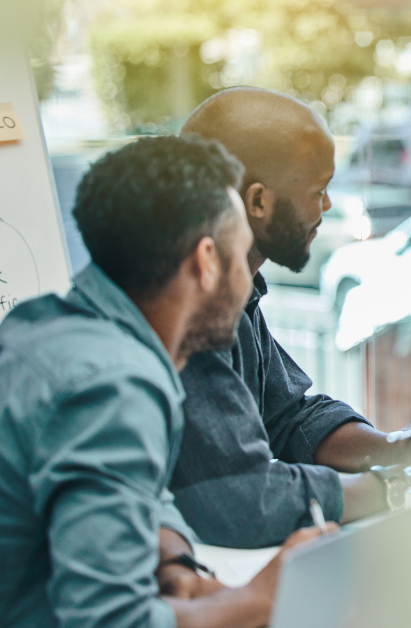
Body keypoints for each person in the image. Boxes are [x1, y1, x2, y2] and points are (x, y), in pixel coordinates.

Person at [0, 136, 327, 628]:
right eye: (242, 257)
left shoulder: (42, 325)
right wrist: (262, 597)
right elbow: (112, 621)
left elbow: (144, 493)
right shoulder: (113, 386)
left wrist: (174, 562)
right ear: (206, 260)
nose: (248, 281)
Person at [169, 87, 411, 549]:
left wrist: (401, 451)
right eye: (318, 191)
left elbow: (289, 419)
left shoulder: (232, 289)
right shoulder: (186, 310)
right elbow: (240, 501)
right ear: (257, 202)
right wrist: (398, 489)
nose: (326, 207)